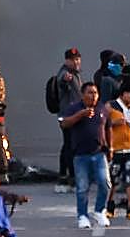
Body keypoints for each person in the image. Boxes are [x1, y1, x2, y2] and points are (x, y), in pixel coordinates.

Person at [59, 81, 110, 229]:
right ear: (83, 94)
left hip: (99, 153)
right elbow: (64, 123)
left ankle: (100, 210)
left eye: (95, 93)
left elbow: (107, 126)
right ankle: (82, 215)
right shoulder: (74, 108)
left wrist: (109, 146)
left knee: (105, 183)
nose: (93, 96)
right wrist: (80, 115)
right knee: (82, 187)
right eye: (90, 93)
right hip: (80, 154)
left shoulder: (102, 108)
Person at [106, 81, 130, 221]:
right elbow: (103, 123)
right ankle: (109, 206)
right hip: (116, 149)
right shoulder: (111, 106)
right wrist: (114, 123)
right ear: (123, 94)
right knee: (113, 179)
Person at [53, 49, 83, 192]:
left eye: (78, 59)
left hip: (74, 115)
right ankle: (69, 178)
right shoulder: (64, 74)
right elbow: (63, 83)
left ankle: (65, 176)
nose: (76, 62)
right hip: (68, 116)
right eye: (73, 59)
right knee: (70, 146)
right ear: (67, 60)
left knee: (69, 145)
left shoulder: (76, 74)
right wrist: (66, 80)